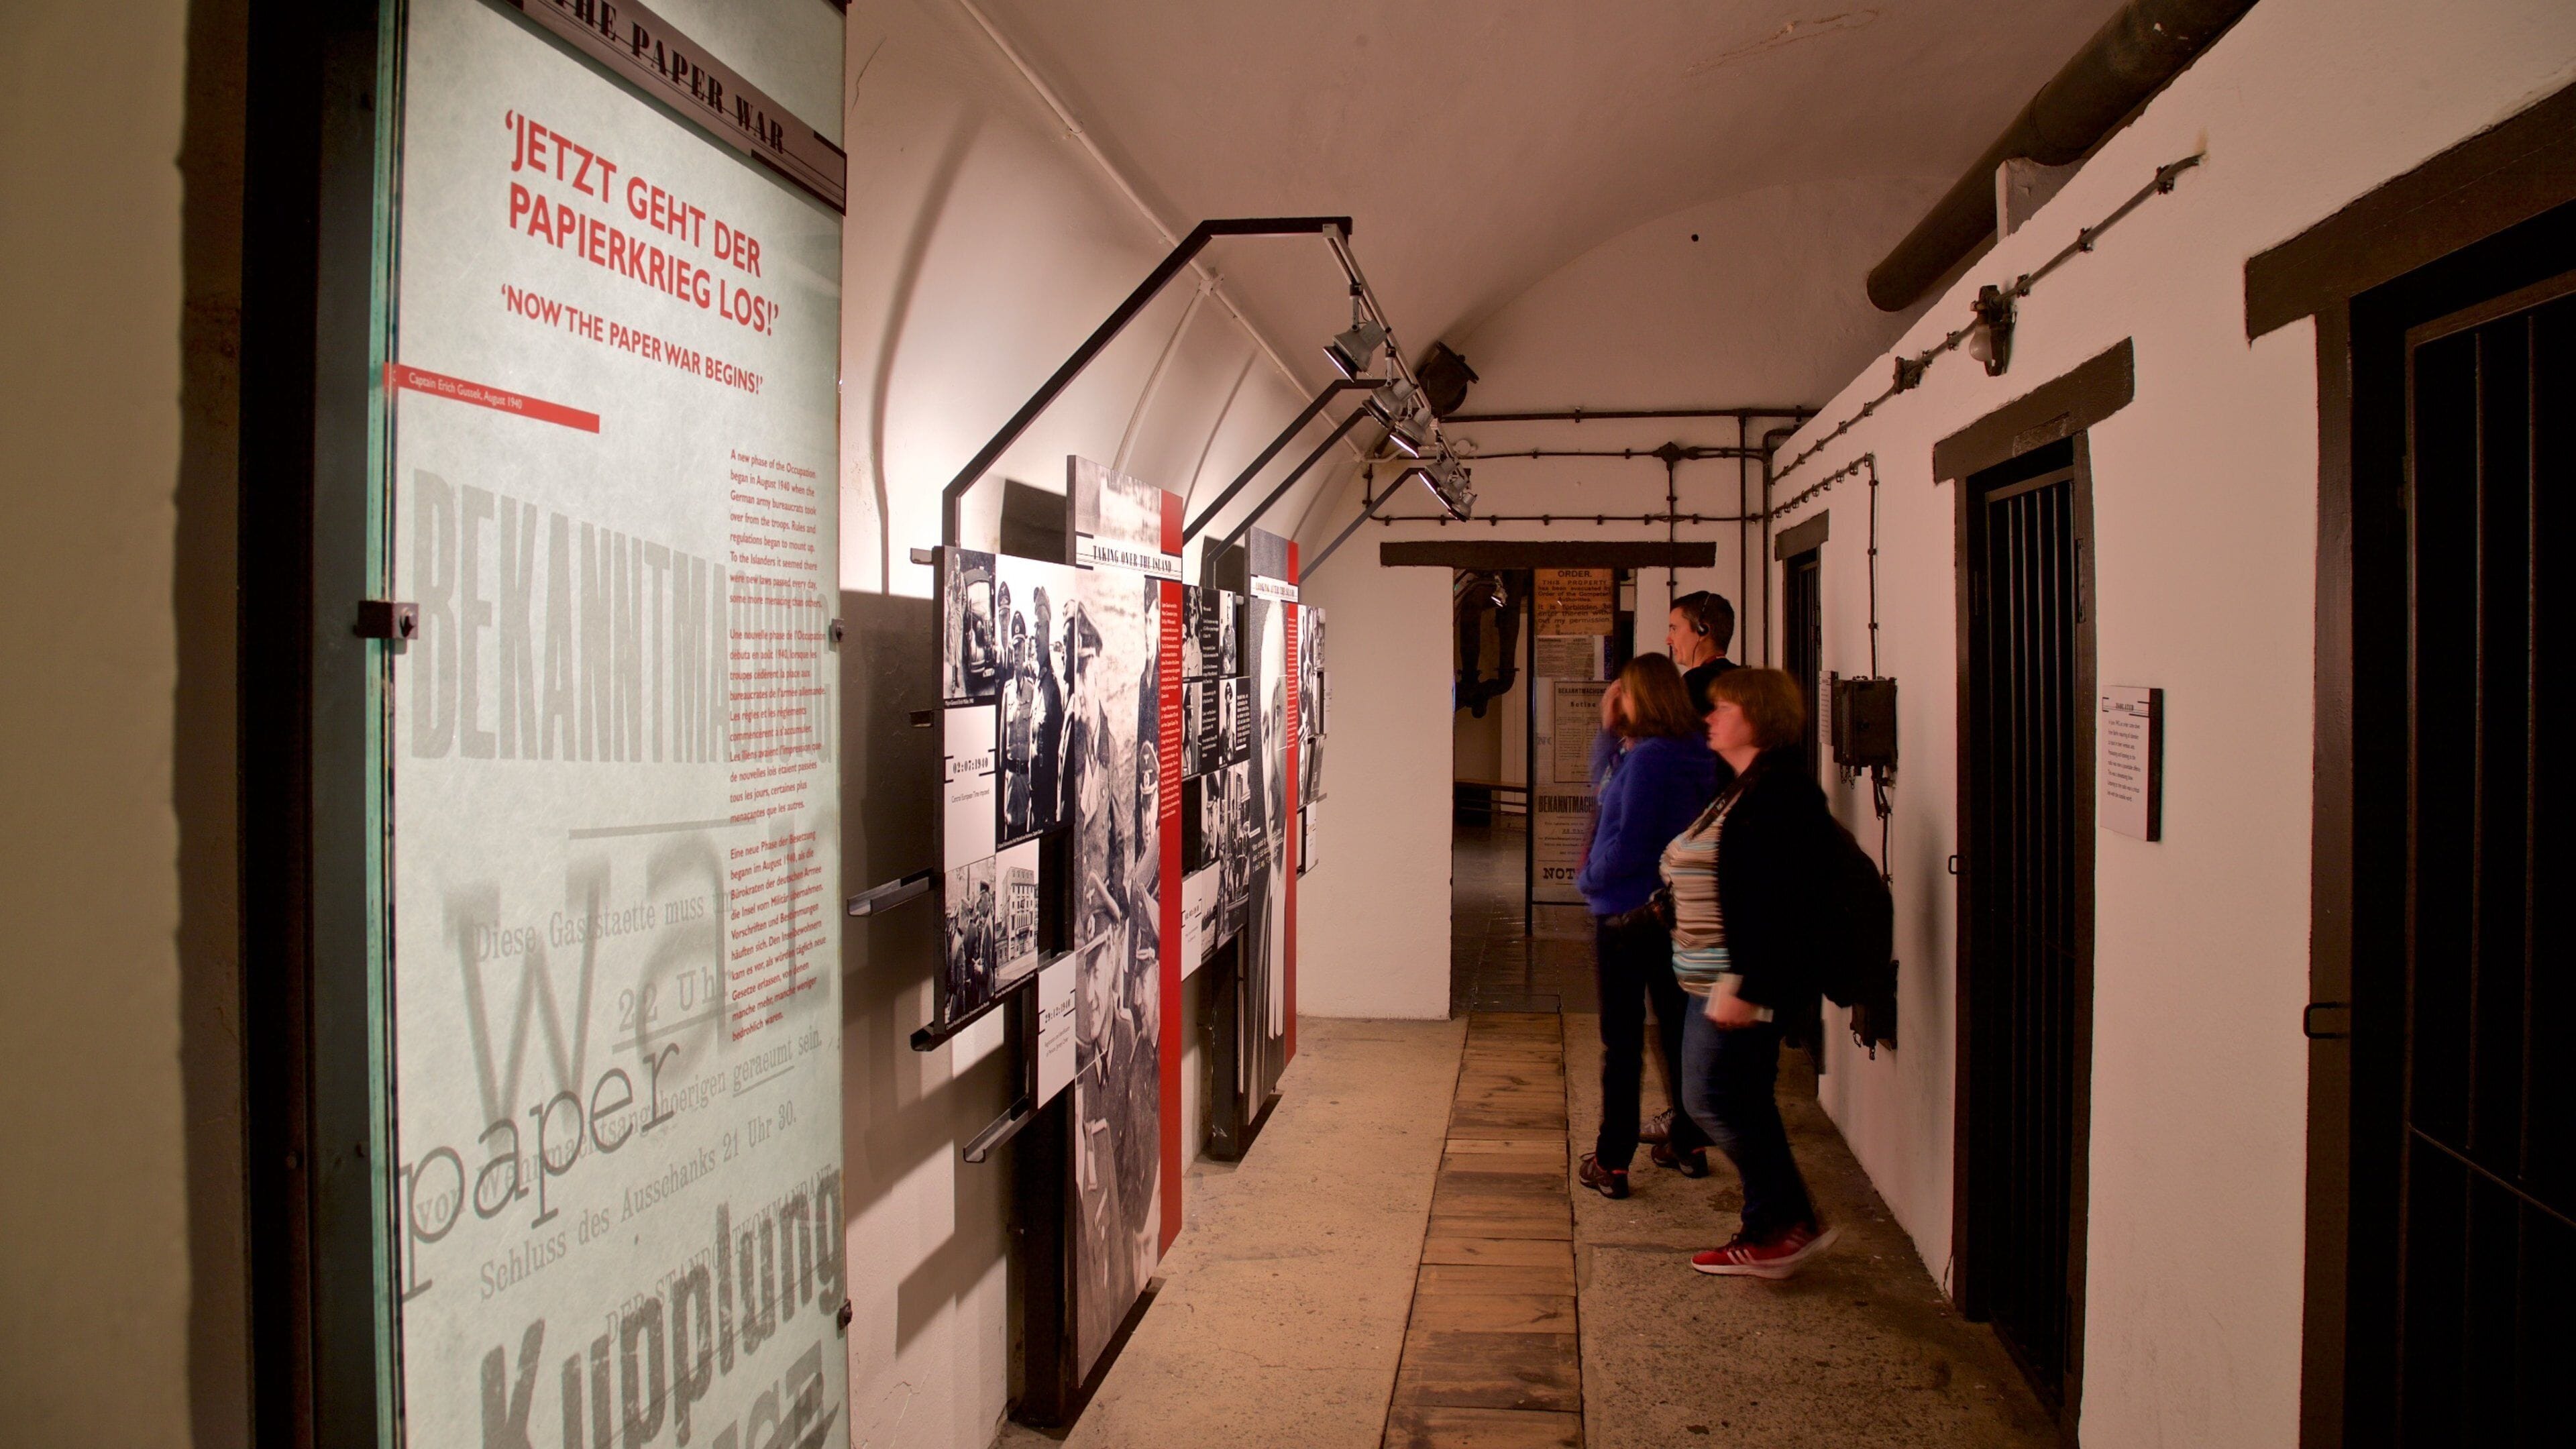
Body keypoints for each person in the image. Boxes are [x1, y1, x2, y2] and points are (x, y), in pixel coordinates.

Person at [1664, 667, 1840, 1279]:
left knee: (1710, 1099)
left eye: (1724, 708)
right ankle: (1772, 1224)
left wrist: (1751, 984)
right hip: (1714, 977)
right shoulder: (1743, 786)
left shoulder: (1782, 793)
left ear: (1759, 718)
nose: (1710, 718)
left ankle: (1786, 1221)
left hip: (1733, 982)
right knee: (1739, 1099)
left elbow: (1788, 900)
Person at [1574, 655, 1719, 1199]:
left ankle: (1611, 1161)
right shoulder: (1688, 752)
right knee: (1676, 1029)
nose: (1619, 703)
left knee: (1623, 1041)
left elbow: (1628, 840)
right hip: (1671, 911)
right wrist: (1610, 734)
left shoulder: (1649, 759)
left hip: (1625, 913)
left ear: (1645, 698)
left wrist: (1590, 877)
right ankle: (1688, 1140)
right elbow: (1605, 785)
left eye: (1624, 695)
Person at [1666, 590, 1739, 718]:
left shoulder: (1696, 682)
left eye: (1674, 629)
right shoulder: (1742, 678)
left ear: (1702, 631)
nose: (1668, 640)